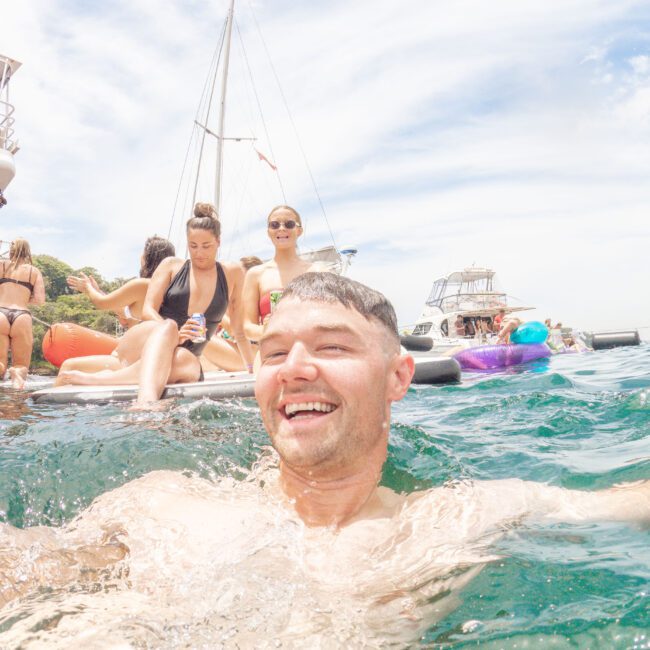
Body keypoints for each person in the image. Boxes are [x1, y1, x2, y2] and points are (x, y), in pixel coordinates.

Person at [1, 274, 648, 644]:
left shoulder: (457, 520)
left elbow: (626, 506)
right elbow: (29, 567)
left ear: (398, 378)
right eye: (275, 353)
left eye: (333, 348)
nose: (297, 370)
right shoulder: (161, 503)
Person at [57, 203, 254, 405]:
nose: (199, 253)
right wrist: (177, 334)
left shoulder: (233, 273)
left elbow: (239, 330)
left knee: (189, 362)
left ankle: (102, 379)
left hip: (179, 356)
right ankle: (146, 404)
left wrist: (251, 369)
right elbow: (148, 311)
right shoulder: (171, 265)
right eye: (193, 246)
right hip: (145, 341)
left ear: (218, 242)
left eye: (206, 246)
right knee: (168, 326)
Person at [54, 237, 176, 382]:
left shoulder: (141, 285)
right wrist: (95, 290)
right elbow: (123, 310)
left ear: (149, 258)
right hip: (150, 358)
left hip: (128, 361)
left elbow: (102, 303)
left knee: (69, 365)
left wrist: (89, 288)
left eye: (143, 253)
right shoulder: (173, 291)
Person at [242, 205, 322, 345]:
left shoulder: (317, 271)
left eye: (289, 224)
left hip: (308, 346)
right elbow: (248, 327)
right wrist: (266, 330)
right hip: (273, 350)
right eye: (274, 225)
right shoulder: (255, 274)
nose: (281, 228)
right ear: (268, 231)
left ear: (299, 231)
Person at [200, 255, 263, 372]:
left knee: (197, 333)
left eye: (238, 274)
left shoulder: (252, 300)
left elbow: (234, 329)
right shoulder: (236, 300)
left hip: (251, 355)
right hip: (241, 354)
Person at [0, 238, 46, 389]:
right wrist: (25, 298)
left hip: (1, 313)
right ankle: (17, 375)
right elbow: (40, 300)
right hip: (22, 315)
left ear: (11, 250)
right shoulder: (34, 271)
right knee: (20, 367)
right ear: (27, 251)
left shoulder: (2, 265)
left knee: (0, 364)